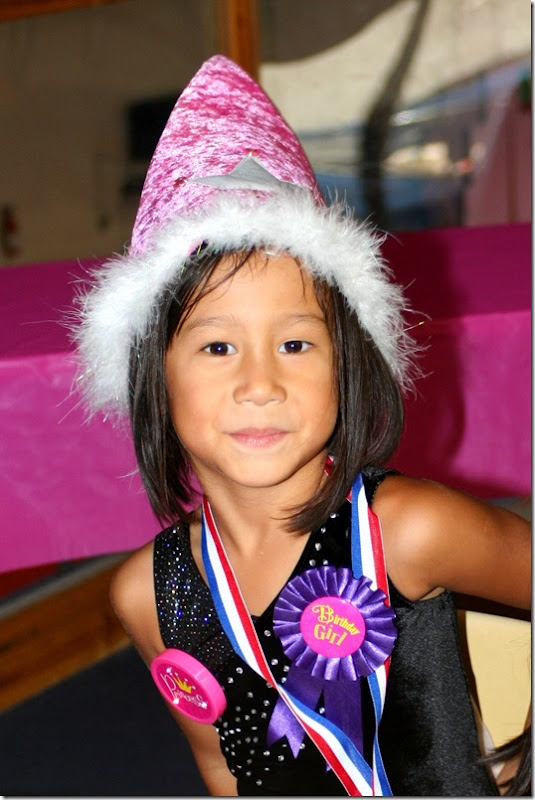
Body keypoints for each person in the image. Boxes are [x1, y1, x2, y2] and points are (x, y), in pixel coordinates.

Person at [73, 55, 530, 797]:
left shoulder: (409, 529)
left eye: (294, 344)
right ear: (154, 375)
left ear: (347, 362)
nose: (260, 385)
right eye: (216, 347)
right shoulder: (148, 595)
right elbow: (222, 769)